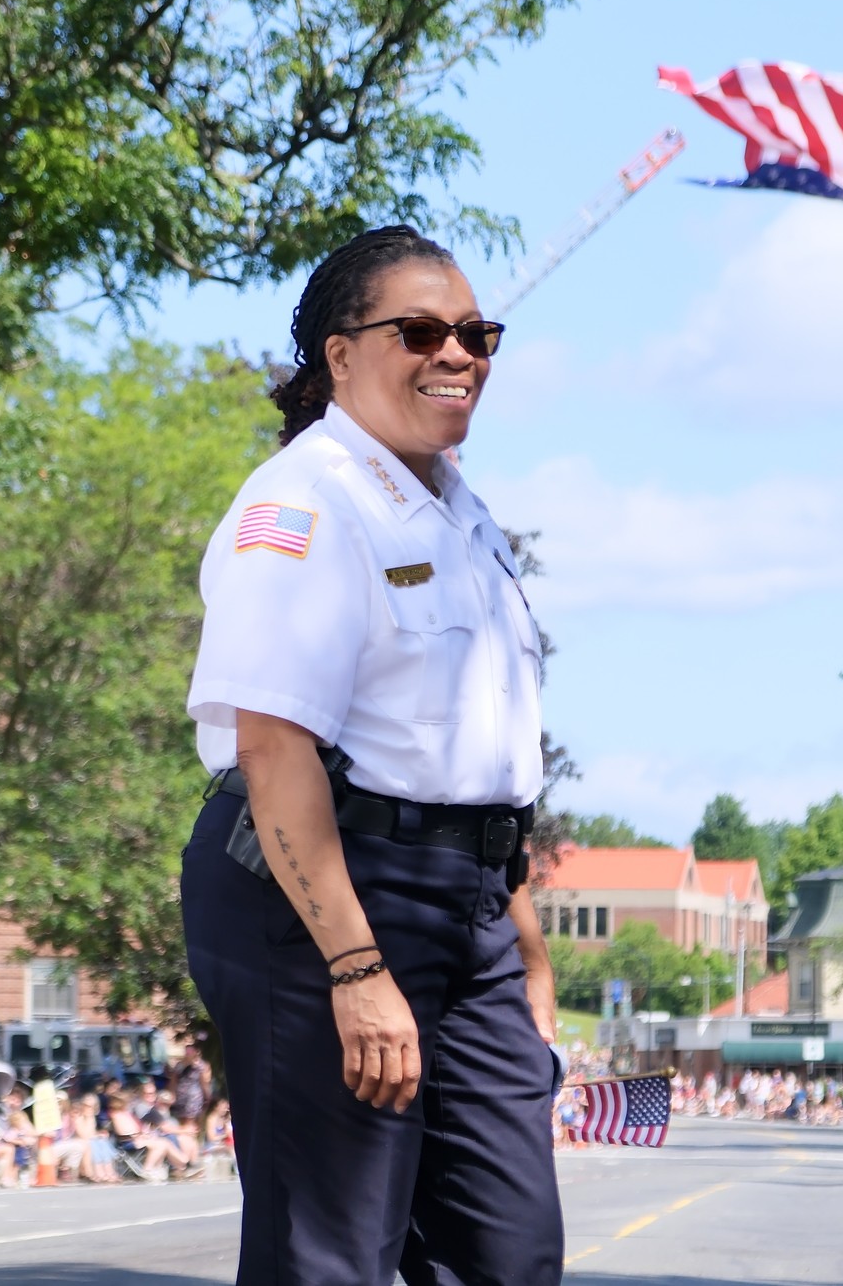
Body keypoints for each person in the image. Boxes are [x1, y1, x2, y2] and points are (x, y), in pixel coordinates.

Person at [181, 225, 561, 1285]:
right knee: (331, 1258)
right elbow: (272, 749)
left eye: (476, 334)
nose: (457, 355)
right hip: (325, 894)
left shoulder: (460, 514)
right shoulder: (302, 505)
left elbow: (478, 764)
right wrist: (354, 968)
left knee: (508, 1250)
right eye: (421, 332)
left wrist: (522, 946)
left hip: (467, 900)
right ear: (339, 357)